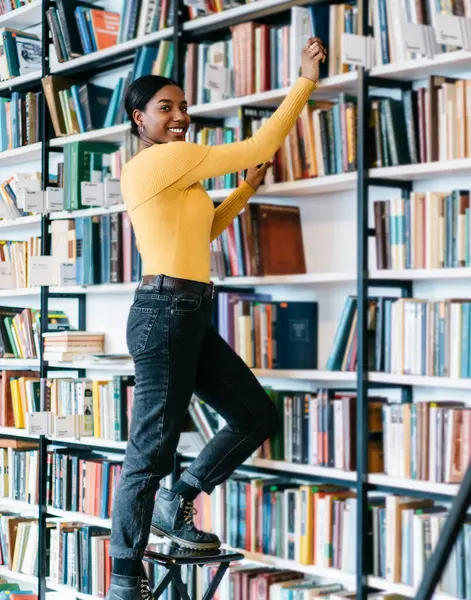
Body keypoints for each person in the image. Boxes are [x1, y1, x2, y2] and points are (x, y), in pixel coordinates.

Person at [106, 37, 326, 600]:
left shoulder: (177, 173)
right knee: (149, 449)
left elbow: (201, 234)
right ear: (140, 118)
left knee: (254, 415)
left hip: (189, 311)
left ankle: (177, 497)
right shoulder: (164, 160)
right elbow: (263, 139)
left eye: (183, 107)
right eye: (166, 108)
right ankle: (125, 579)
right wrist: (305, 81)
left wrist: (245, 191)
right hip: (164, 312)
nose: (181, 116)